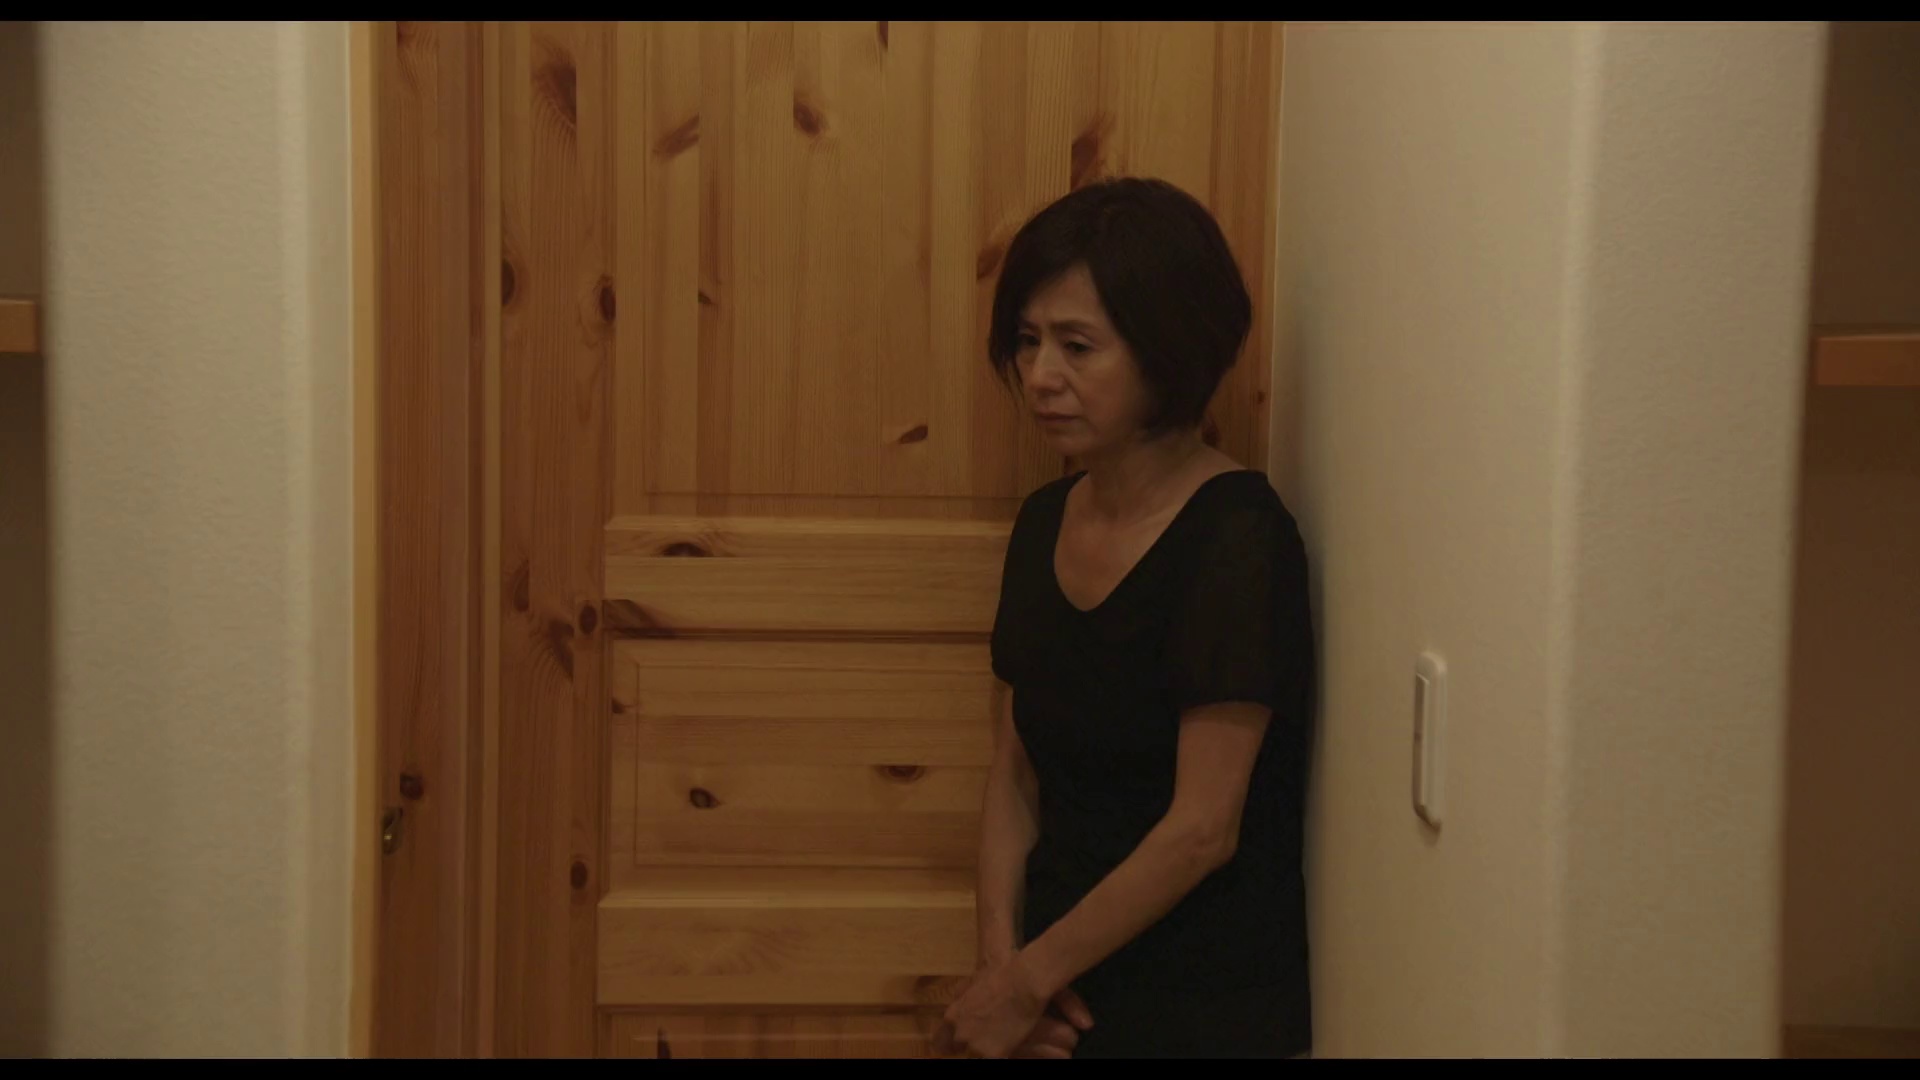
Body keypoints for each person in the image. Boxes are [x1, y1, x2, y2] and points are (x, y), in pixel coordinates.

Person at [933, 178, 1315, 1059]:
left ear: (1167, 351)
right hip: (1051, 990)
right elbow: (1014, 773)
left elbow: (1202, 830)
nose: (1041, 376)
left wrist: (1024, 985)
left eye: (1077, 346)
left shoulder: (1239, 536)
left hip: (1196, 1002)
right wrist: (1002, 972)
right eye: (1027, 341)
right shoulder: (1042, 523)